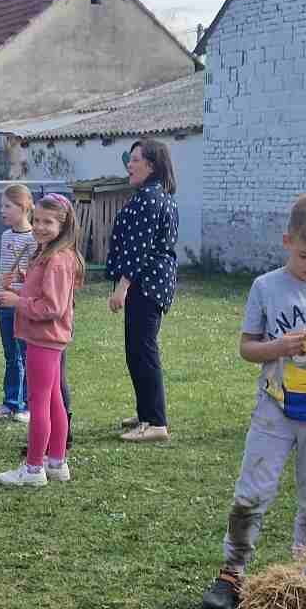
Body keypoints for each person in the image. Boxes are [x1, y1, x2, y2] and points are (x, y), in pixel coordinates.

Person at [201, 194, 306, 609]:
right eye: (305, 255)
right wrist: (278, 346)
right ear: (287, 241)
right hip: (274, 409)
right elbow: (247, 348)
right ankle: (232, 572)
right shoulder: (266, 287)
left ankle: (305, 578)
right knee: (252, 492)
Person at [0, 193, 80, 488]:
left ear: (63, 225)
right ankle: (56, 462)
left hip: (44, 338)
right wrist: (23, 281)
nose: (40, 227)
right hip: (49, 339)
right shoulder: (51, 255)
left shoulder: (57, 259)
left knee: (39, 402)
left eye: (48, 222)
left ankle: (33, 468)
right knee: (53, 399)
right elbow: (44, 292)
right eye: (37, 220)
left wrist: (16, 301)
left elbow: (51, 307)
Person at [106, 137, 179, 442]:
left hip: (146, 284)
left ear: (151, 165)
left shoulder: (150, 198)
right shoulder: (153, 194)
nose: (130, 165)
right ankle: (145, 412)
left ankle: (156, 423)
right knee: (136, 351)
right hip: (149, 283)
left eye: (135, 160)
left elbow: (139, 249)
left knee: (143, 351)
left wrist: (122, 287)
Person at [0, 183, 35, 424]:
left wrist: (24, 278)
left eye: (7, 206)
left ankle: (28, 404)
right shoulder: (5, 236)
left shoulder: (35, 239)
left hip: (23, 306)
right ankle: (11, 402)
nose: (2, 211)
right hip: (5, 306)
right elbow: (3, 274)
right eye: (1, 206)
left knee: (27, 356)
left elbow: (37, 278)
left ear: (24, 207)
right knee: (11, 356)